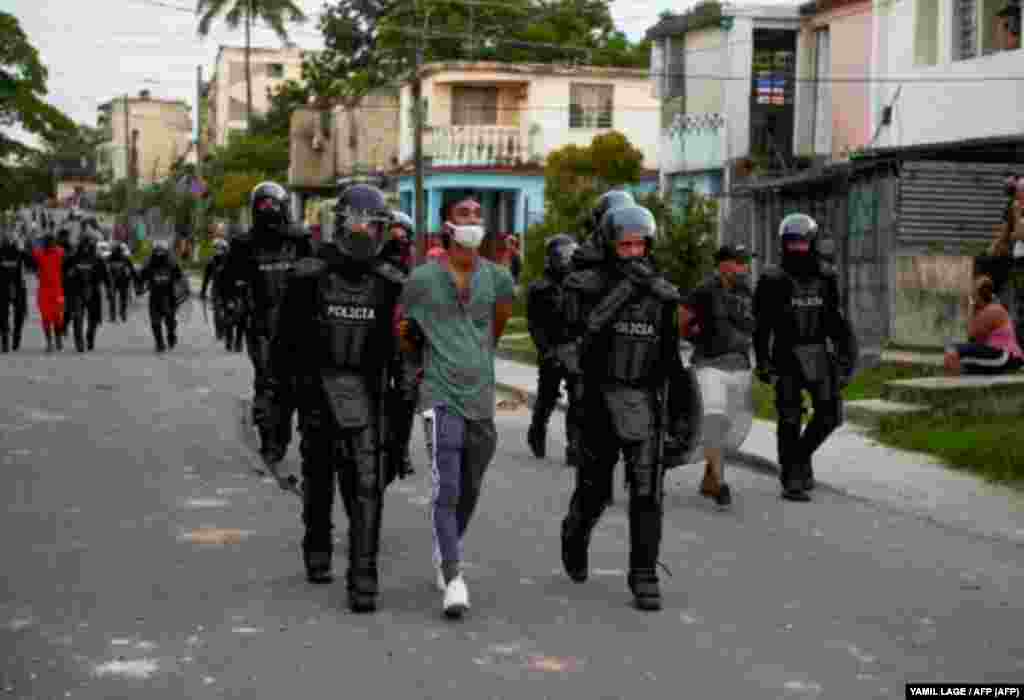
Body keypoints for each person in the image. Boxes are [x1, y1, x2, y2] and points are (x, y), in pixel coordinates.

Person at [272, 184, 404, 613]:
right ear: (341, 225)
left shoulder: (389, 283)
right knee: (318, 476)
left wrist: (401, 419)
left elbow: (400, 353)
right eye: (357, 224)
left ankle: (364, 579)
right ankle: (317, 549)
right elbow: (284, 346)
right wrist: (278, 408)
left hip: (367, 391)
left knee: (367, 483)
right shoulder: (308, 276)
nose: (364, 233)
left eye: (372, 226)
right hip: (315, 389)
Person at [558, 203, 685, 612]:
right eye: (625, 245)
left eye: (639, 245)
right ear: (610, 245)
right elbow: (573, 342)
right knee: (595, 492)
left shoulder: (662, 295)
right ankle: (575, 533)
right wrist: (624, 293)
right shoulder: (583, 285)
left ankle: (644, 574)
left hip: (643, 401)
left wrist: (681, 417)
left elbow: (671, 360)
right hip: (597, 399)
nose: (633, 252)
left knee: (648, 492)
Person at [398, 194, 515, 618]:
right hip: (439, 394)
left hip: (480, 395)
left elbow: (497, 327)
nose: (472, 220)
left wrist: (473, 354)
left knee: (470, 486)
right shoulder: (422, 279)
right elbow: (405, 331)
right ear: (447, 225)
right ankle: (453, 575)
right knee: (446, 485)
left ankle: (447, 544)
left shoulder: (498, 278)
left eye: (477, 214)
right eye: (463, 214)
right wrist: (421, 364)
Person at [753, 213, 858, 502]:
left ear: (812, 243)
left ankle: (798, 459)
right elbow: (761, 326)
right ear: (783, 244)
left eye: (802, 243)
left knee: (830, 415)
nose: (797, 248)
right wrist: (762, 361)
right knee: (789, 417)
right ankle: (792, 479)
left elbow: (837, 321)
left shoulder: (827, 277)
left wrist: (847, 359)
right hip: (785, 354)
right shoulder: (771, 278)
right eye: (792, 243)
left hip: (818, 352)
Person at [222, 182, 313, 465]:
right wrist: (233, 303)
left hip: (300, 324)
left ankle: (297, 438)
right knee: (267, 382)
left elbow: (321, 275)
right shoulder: (243, 244)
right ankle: (271, 440)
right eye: (263, 206)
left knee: (301, 385)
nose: (269, 211)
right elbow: (227, 281)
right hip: (262, 324)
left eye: (273, 205)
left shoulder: (300, 239)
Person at [679, 245, 757, 509]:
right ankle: (719, 482)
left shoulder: (746, 292)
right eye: (739, 262)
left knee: (728, 426)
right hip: (710, 365)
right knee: (714, 418)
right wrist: (695, 336)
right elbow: (681, 320)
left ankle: (710, 477)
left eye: (746, 263)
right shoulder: (704, 290)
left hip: (740, 365)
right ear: (723, 264)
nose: (745, 267)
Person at [526, 233, 581, 464]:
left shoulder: (578, 285)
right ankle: (537, 432)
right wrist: (546, 350)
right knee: (547, 396)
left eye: (570, 253)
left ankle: (574, 446)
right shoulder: (539, 288)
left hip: (574, 349)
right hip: (551, 348)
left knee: (578, 398)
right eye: (562, 254)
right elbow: (534, 324)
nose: (566, 259)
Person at [381, 210, 418, 481]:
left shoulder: (416, 269)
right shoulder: (371, 264)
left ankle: (401, 450)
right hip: (376, 337)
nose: (398, 240)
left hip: (405, 341)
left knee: (407, 396)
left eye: (403, 236)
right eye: (392, 235)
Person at [944, 275, 1024, 375]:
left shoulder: (993, 310)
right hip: (1000, 354)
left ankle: (956, 383)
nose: (971, 294)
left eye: (973, 292)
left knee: (953, 352)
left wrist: (970, 307)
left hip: (1004, 355)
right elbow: (976, 340)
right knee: (956, 357)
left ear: (977, 295)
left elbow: (971, 334)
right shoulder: (989, 309)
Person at [63, 233, 111, 352]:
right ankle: (79, 342)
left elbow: (106, 276)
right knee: (78, 317)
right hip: (77, 291)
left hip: (93, 291)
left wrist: (109, 290)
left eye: (88, 244)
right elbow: (62, 273)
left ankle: (90, 337)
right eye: (84, 243)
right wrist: (66, 283)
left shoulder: (97, 259)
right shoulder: (73, 258)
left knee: (94, 318)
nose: (86, 247)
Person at [137, 240, 185, 352]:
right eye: (157, 251)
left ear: (166, 252)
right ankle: (159, 343)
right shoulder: (149, 263)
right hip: (154, 296)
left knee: (170, 320)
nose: (159, 254)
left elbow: (179, 277)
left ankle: (171, 334)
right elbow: (141, 277)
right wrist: (139, 287)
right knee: (155, 321)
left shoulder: (172, 263)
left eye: (162, 251)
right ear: (153, 252)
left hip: (169, 296)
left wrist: (181, 291)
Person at [0, 229, 34, 352]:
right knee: (2, 315)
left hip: (18, 286)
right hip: (3, 286)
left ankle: (16, 336)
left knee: (19, 314)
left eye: (11, 238)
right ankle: (5, 339)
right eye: (6, 238)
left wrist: (26, 250)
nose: (8, 240)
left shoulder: (19, 252)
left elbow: (31, 264)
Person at [201, 239, 230, 340]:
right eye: (216, 248)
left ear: (225, 249)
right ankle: (219, 331)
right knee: (217, 311)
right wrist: (203, 291)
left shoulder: (230, 261)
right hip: (216, 289)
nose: (218, 250)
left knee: (229, 310)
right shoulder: (211, 262)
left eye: (221, 248)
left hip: (228, 289)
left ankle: (227, 328)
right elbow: (206, 278)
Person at [106, 243, 137, 323]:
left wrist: (133, 278)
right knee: (114, 298)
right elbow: (105, 270)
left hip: (122, 281)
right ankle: (114, 316)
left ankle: (121, 314)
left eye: (117, 251)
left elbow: (132, 270)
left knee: (121, 298)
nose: (116, 252)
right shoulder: (110, 258)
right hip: (114, 281)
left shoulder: (125, 259)